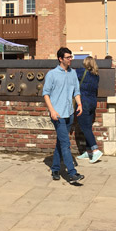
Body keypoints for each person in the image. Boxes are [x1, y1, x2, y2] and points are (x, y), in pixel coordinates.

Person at [42, 47, 84, 184]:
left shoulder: (73, 73)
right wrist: (52, 111)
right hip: (57, 114)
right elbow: (46, 94)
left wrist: (79, 104)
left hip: (69, 113)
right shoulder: (52, 74)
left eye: (71, 57)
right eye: (68, 57)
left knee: (61, 142)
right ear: (60, 59)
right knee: (66, 143)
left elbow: (76, 91)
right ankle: (72, 174)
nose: (70, 59)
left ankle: (55, 168)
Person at [75, 56, 103, 164]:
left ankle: (95, 150)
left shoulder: (81, 71)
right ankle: (88, 151)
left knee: (85, 127)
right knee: (88, 127)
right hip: (92, 103)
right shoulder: (96, 76)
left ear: (85, 63)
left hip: (83, 102)